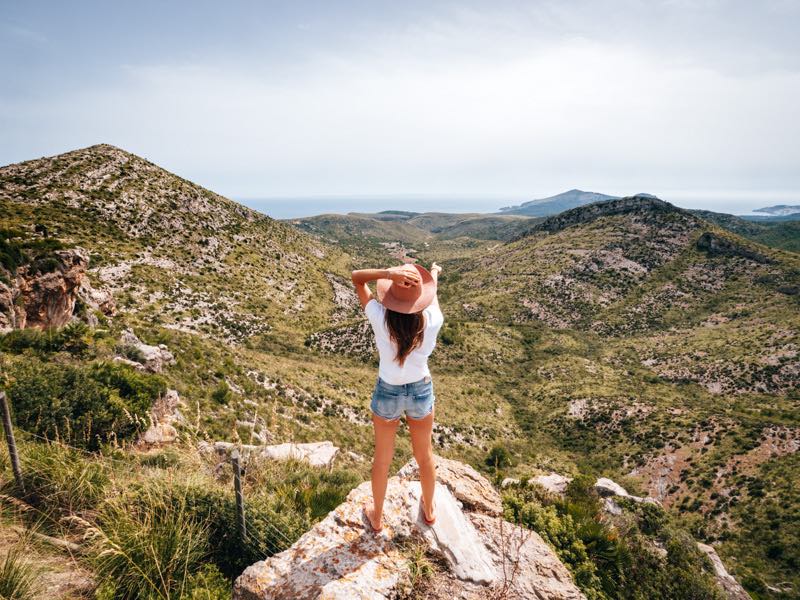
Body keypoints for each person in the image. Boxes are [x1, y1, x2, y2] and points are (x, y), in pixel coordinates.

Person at [351, 261, 444, 532]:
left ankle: (377, 517)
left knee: (382, 458)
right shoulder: (433, 320)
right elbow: (433, 296)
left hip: (387, 390)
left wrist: (388, 274)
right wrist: (434, 274)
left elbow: (357, 278)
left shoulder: (379, 317)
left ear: (390, 295)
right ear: (420, 298)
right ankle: (428, 510)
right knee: (424, 455)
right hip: (420, 389)